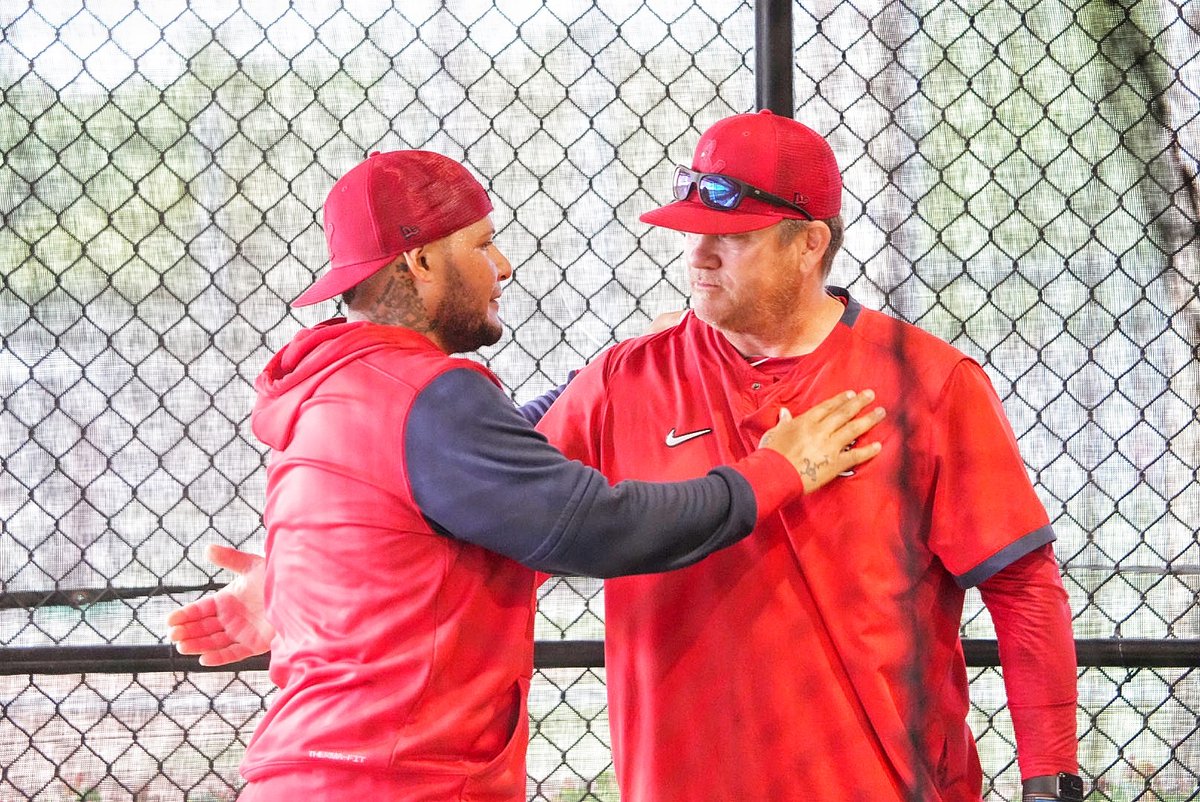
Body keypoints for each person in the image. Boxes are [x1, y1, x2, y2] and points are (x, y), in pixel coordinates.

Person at [171, 113, 1083, 802]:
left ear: (809, 245)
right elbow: (481, 505)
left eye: (729, 238)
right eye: (691, 235)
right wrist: (300, 578)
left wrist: (1052, 778)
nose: (698, 258)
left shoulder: (923, 379)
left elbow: (1023, 586)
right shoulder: (624, 377)